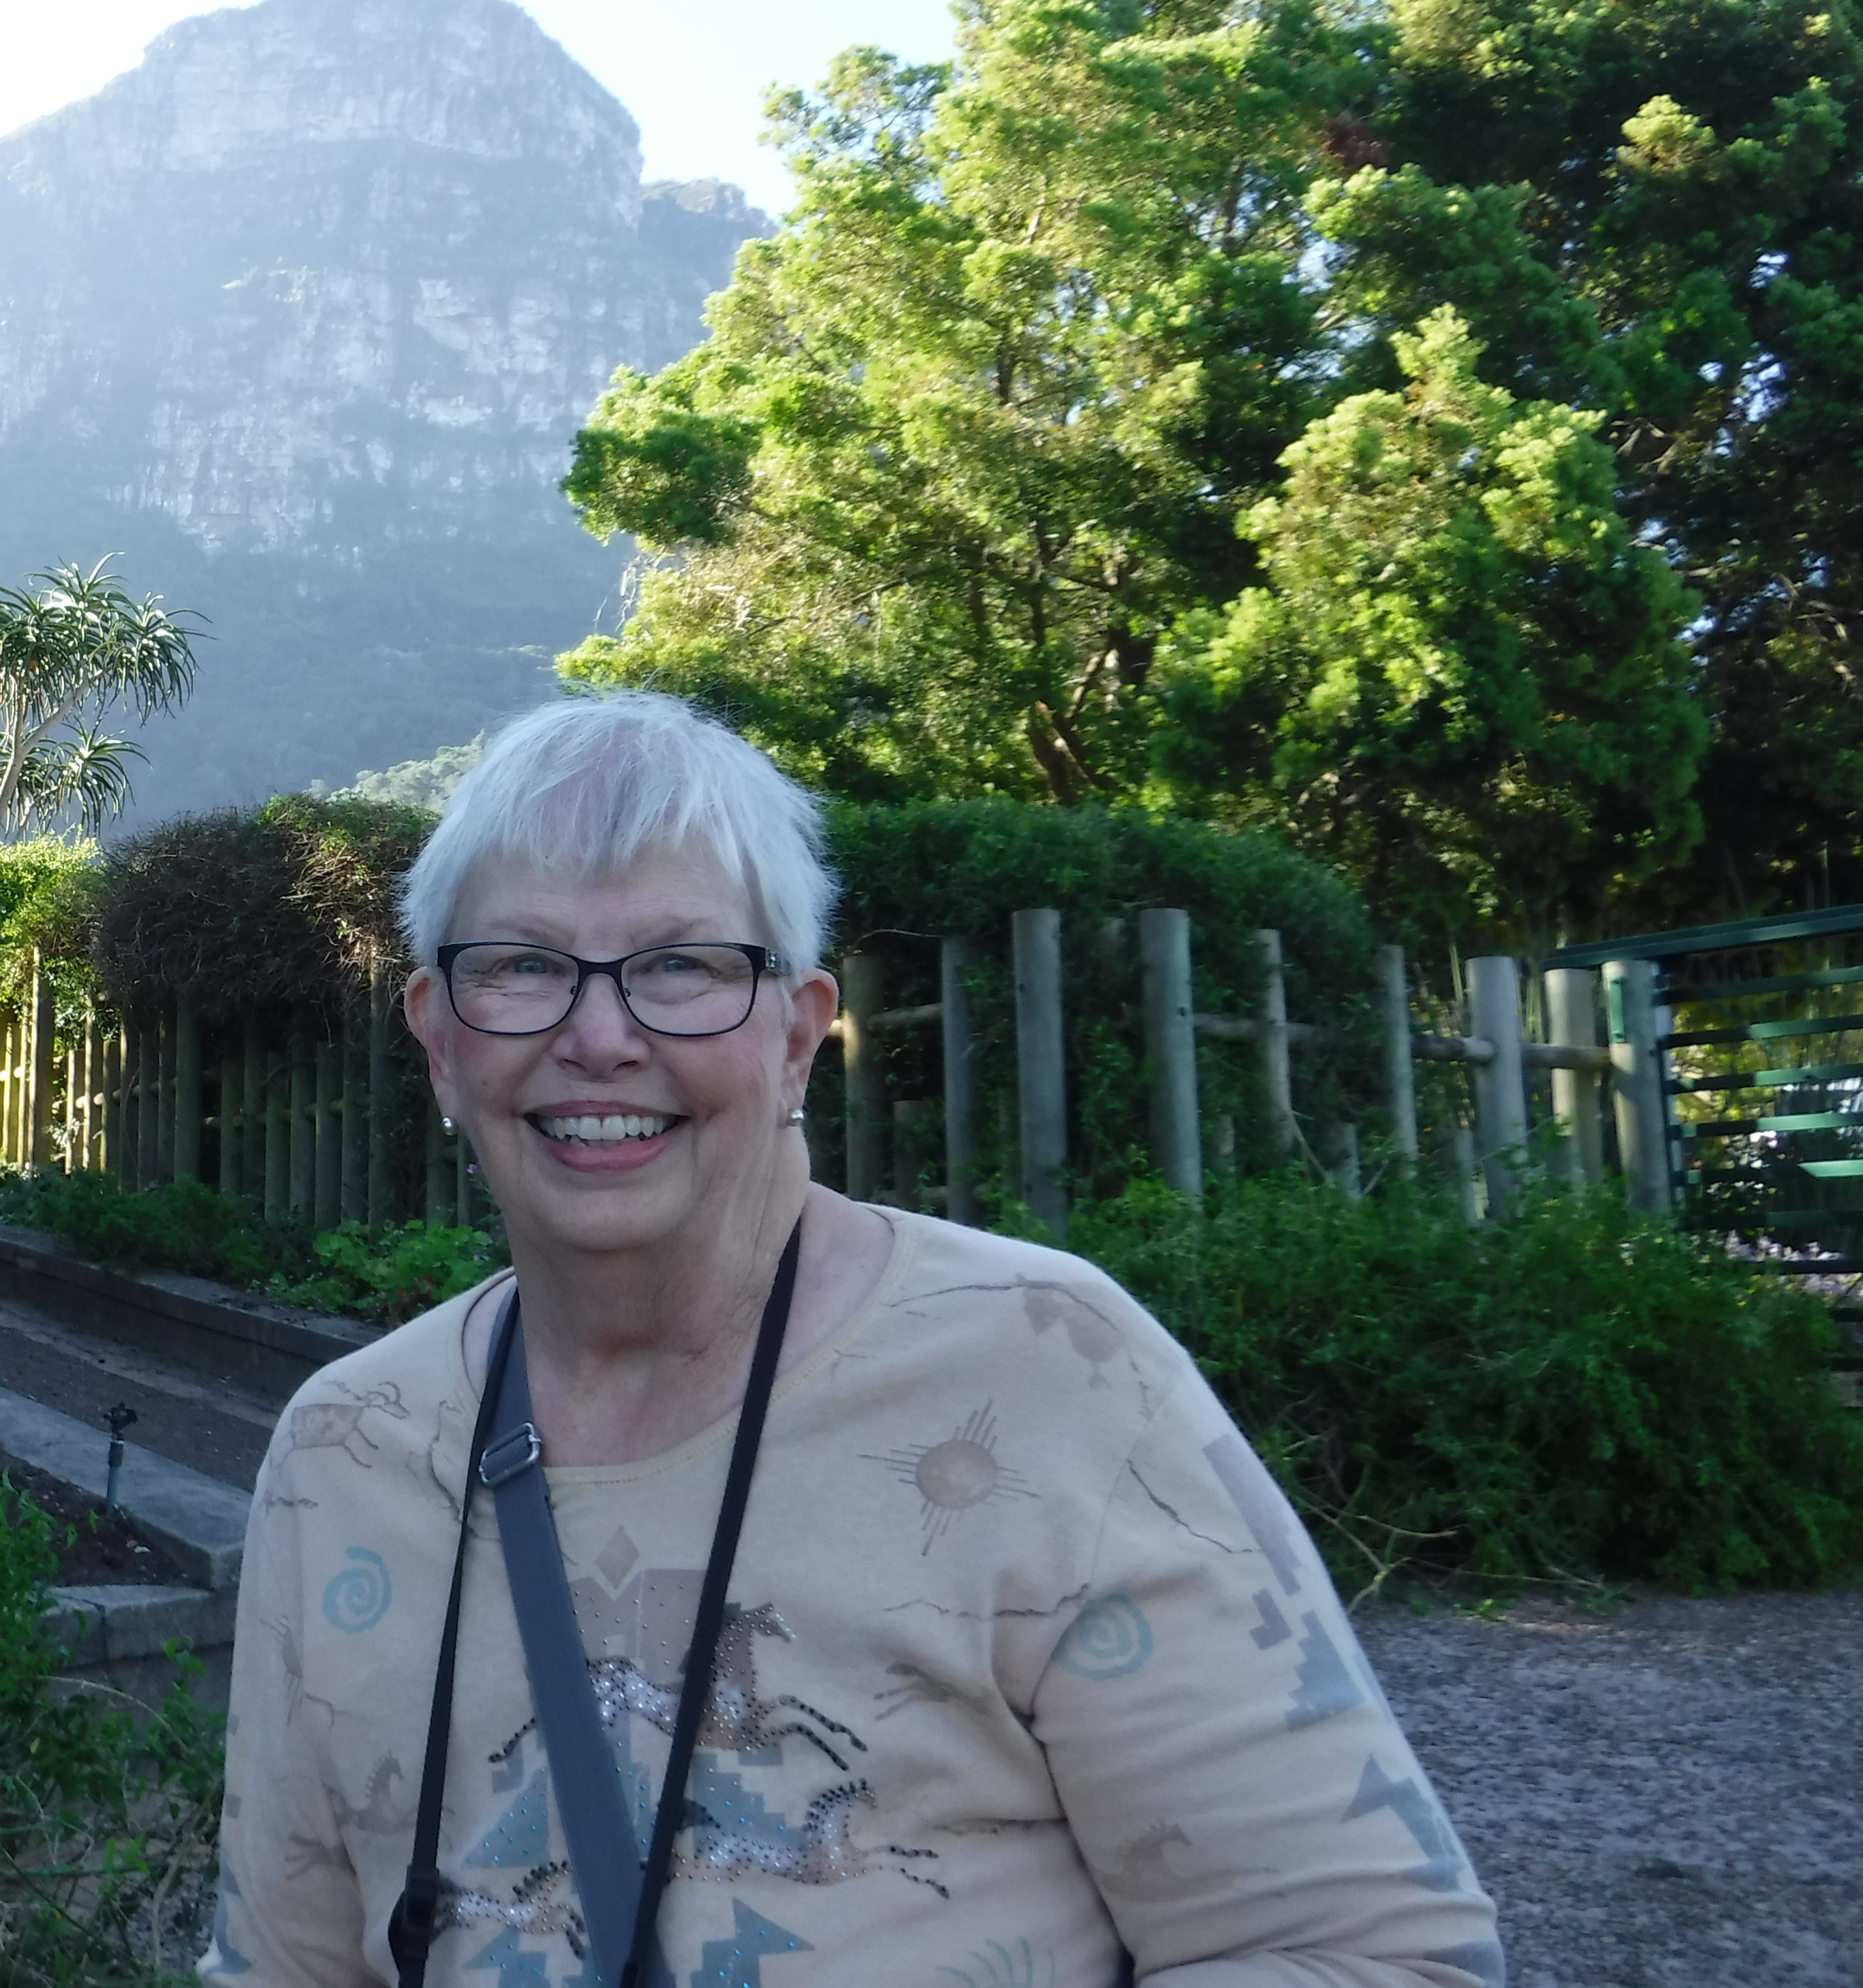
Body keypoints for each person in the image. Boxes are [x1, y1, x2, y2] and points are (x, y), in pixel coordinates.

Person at [204, 691, 1501, 1988]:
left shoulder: (1049, 1377)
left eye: (682, 967)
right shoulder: (346, 1454)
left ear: (799, 1035)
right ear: (439, 1040)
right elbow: (282, 1967)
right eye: (523, 967)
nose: (598, 1038)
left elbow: (1366, 1953)